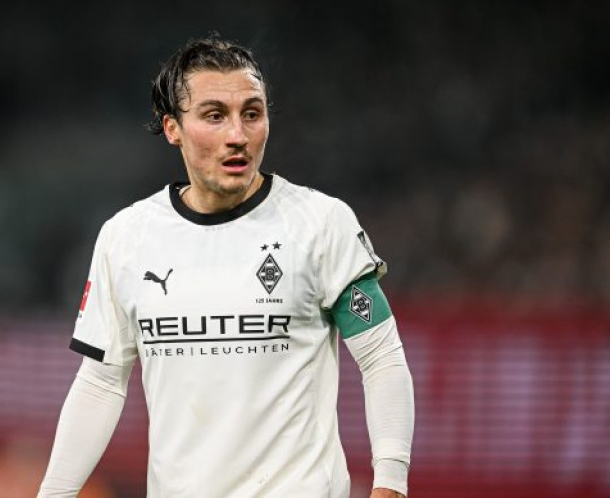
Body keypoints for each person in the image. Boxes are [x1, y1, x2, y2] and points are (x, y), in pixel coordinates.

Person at [38, 35, 414, 498]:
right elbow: (100, 383)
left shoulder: (321, 225)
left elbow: (382, 357)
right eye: (214, 115)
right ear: (172, 127)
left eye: (251, 114)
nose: (238, 135)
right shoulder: (127, 238)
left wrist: (391, 482)